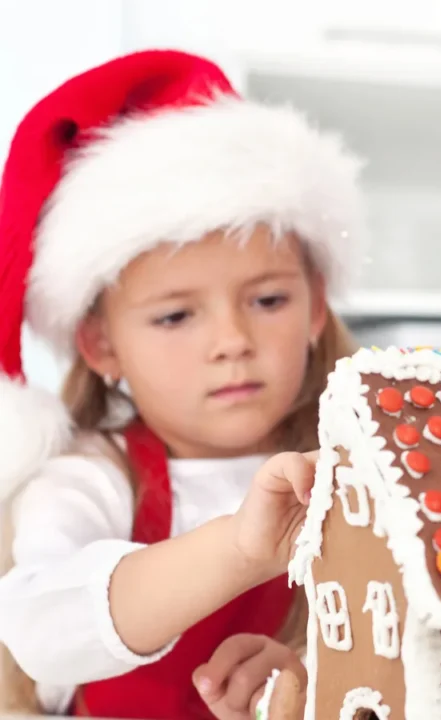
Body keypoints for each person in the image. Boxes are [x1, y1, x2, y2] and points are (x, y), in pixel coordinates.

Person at [0, 50, 365, 719]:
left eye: (268, 301)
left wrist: (306, 686)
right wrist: (239, 549)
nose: (231, 341)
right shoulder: (94, 477)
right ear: (101, 344)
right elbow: (39, 632)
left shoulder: (356, 474)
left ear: (316, 307)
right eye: (175, 315)